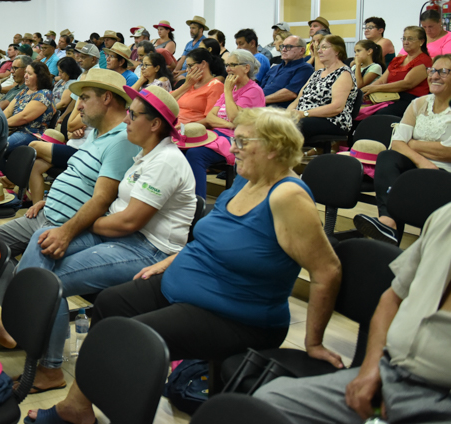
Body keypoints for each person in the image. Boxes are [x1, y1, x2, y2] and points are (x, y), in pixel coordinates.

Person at [27, 107, 343, 424]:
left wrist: (313, 342)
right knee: (111, 303)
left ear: (275, 148)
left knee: (136, 337)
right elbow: (213, 238)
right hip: (188, 287)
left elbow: (327, 270)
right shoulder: (248, 180)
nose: (233, 148)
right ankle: (76, 409)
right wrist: (170, 261)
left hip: (236, 313)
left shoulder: (287, 196)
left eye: (243, 141)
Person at [12, 84, 195, 394]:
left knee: (49, 280)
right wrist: (72, 226)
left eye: (133, 115)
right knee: (45, 236)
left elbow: (129, 221)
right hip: (123, 238)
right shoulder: (145, 154)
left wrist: (81, 225)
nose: (125, 121)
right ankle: (26, 316)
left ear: (154, 124)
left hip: (149, 250)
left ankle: (47, 363)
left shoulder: (165, 161)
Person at [256, 200, 451, 424]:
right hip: (390, 374)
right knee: (269, 404)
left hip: (442, 400)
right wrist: (371, 368)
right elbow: (392, 299)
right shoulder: (445, 217)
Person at [0, 69, 136, 347]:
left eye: (84, 98)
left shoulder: (120, 141)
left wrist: (67, 232)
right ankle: (21, 322)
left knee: (34, 280)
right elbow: (82, 176)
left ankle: (27, 329)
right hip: (47, 212)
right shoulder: (98, 134)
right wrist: (52, 197)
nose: (78, 105)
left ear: (107, 98)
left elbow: (102, 199)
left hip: (66, 225)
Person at [352, 54, 451, 244]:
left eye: (443, 72)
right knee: (388, 156)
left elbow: (448, 152)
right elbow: (397, 142)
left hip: (445, 171)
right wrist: (423, 161)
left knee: (408, 172)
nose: (435, 76)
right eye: (433, 71)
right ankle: (387, 221)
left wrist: (412, 143)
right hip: (419, 165)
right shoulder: (419, 103)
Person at [183, 49, 266, 197]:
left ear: (246, 68)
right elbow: (210, 117)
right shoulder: (231, 88)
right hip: (218, 135)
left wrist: (227, 92)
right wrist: (229, 124)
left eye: (233, 64)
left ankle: (197, 203)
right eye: (227, 65)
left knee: (196, 154)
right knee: (181, 146)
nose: (228, 69)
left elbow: (235, 117)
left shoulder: (254, 91)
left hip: (238, 140)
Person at [288, 34, 358, 144]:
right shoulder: (317, 73)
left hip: (332, 120)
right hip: (305, 116)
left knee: (293, 127)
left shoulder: (344, 74)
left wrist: (304, 113)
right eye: (318, 48)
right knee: (274, 123)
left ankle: (284, 158)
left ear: (337, 51)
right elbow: (298, 99)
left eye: (324, 47)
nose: (319, 51)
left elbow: (336, 107)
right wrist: (287, 114)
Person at [360, 26, 431, 118]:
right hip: (388, 96)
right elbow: (381, 80)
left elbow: (407, 84)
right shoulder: (398, 60)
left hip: (409, 99)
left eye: (410, 39)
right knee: (358, 107)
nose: (406, 42)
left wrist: (375, 89)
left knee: (380, 114)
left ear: (421, 42)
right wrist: (367, 90)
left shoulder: (424, 60)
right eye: (404, 38)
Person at [3, 61, 55, 153]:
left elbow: (24, 117)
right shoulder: (24, 91)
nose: (25, 76)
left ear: (40, 77)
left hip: (31, 134)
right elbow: (8, 111)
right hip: (13, 129)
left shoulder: (44, 94)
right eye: (25, 72)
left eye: (29, 74)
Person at [171, 48, 225, 125]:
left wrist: (183, 127)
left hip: (193, 130)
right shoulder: (190, 83)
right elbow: (166, 101)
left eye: (190, 66)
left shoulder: (215, 86)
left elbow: (210, 120)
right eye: (187, 66)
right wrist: (186, 85)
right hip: (174, 124)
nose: (187, 70)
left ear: (203, 64)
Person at [260, 36, 315, 108]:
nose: (283, 50)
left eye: (288, 47)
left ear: (301, 50)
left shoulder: (305, 68)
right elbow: (260, 88)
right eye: (282, 46)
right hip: (261, 106)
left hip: (279, 109)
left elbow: (290, 93)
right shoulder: (274, 68)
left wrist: (260, 100)